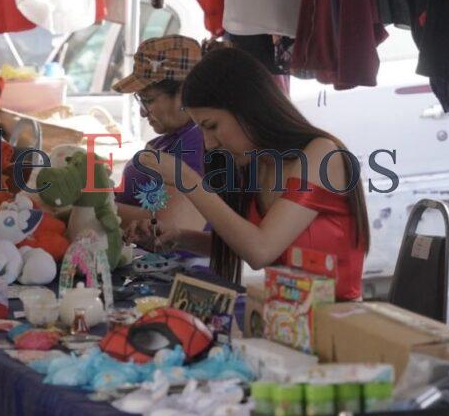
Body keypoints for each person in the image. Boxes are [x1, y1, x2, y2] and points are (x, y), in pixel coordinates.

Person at [132, 44, 369, 300]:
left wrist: (187, 179)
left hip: (335, 318)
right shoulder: (256, 164)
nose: (209, 143)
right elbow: (247, 244)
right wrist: (180, 238)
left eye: (212, 126)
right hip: (284, 314)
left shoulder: (322, 154)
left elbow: (261, 250)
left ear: (247, 108)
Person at [112, 36, 206, 243]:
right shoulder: (169, 140)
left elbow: (172, 226)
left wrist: (95, 206)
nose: (142, 113)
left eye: (147, 99)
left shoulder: (196, 144)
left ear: (184, 93)